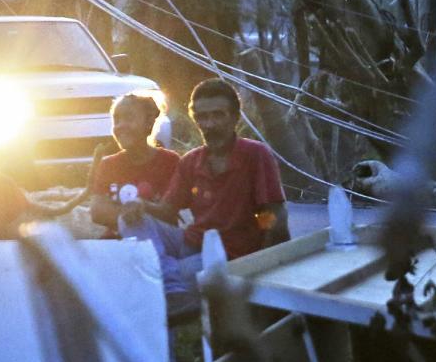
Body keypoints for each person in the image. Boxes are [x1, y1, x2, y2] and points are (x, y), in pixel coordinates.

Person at [116, 78, 287, 307]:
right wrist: (141, 205)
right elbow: (167, 210)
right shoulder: (191, 161)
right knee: (129, 220)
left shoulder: (255, 155)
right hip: (190, 242)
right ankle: (169, 278)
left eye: (218, 115)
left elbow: (271, 214)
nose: (210, 124)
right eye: (203, 117)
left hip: (228, 255)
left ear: (235, 117)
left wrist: (265, 264)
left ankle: (168, 279)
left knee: (152, 278)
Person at [87, 93, 181, 238]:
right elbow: (97, 211)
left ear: (149, 123)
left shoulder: (170, 162)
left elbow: (170, 212)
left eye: (129, 118)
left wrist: (140, 210)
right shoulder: (108, 165)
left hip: (159, 243)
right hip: (117, 243)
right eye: (116, 120)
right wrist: (136, 213)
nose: (120, 126)